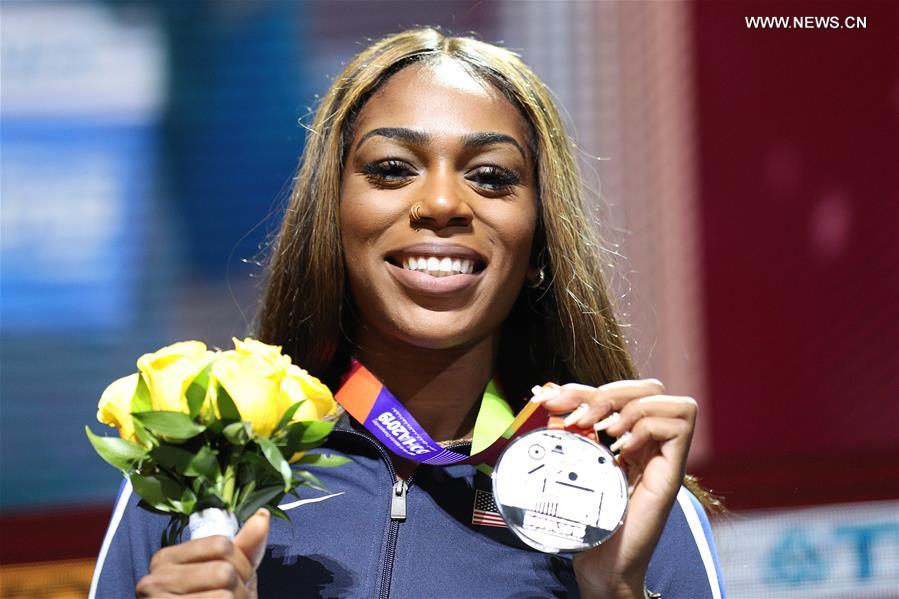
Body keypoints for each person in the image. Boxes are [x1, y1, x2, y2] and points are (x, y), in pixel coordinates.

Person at [90, 28, 724, 598]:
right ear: (331, 222)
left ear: (538, 244)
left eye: (492, 177)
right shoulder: (201, 468)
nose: (444, 201)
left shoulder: (618, 498)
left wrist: (614, 591)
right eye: (393, 169)